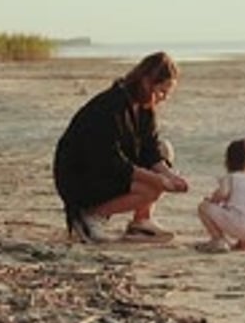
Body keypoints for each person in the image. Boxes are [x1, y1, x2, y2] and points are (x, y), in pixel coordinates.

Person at [53, 51, 188, 243]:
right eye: (161, 91)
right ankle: (90, 216)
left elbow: (150, 148)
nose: (163, 97)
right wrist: (155, 179)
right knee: (150, 189)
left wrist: (170, 176)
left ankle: (142, 221)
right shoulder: (111, 106)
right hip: (80, 174)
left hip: (107, 166)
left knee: (163, 149)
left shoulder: (143, 107)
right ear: (146, 82)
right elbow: (110, 159)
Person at [196, 138, 245, 253]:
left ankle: (218, 239)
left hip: (239, 224)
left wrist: (211, 200)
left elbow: (222, 194)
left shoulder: (231, 177)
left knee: (203, 207)